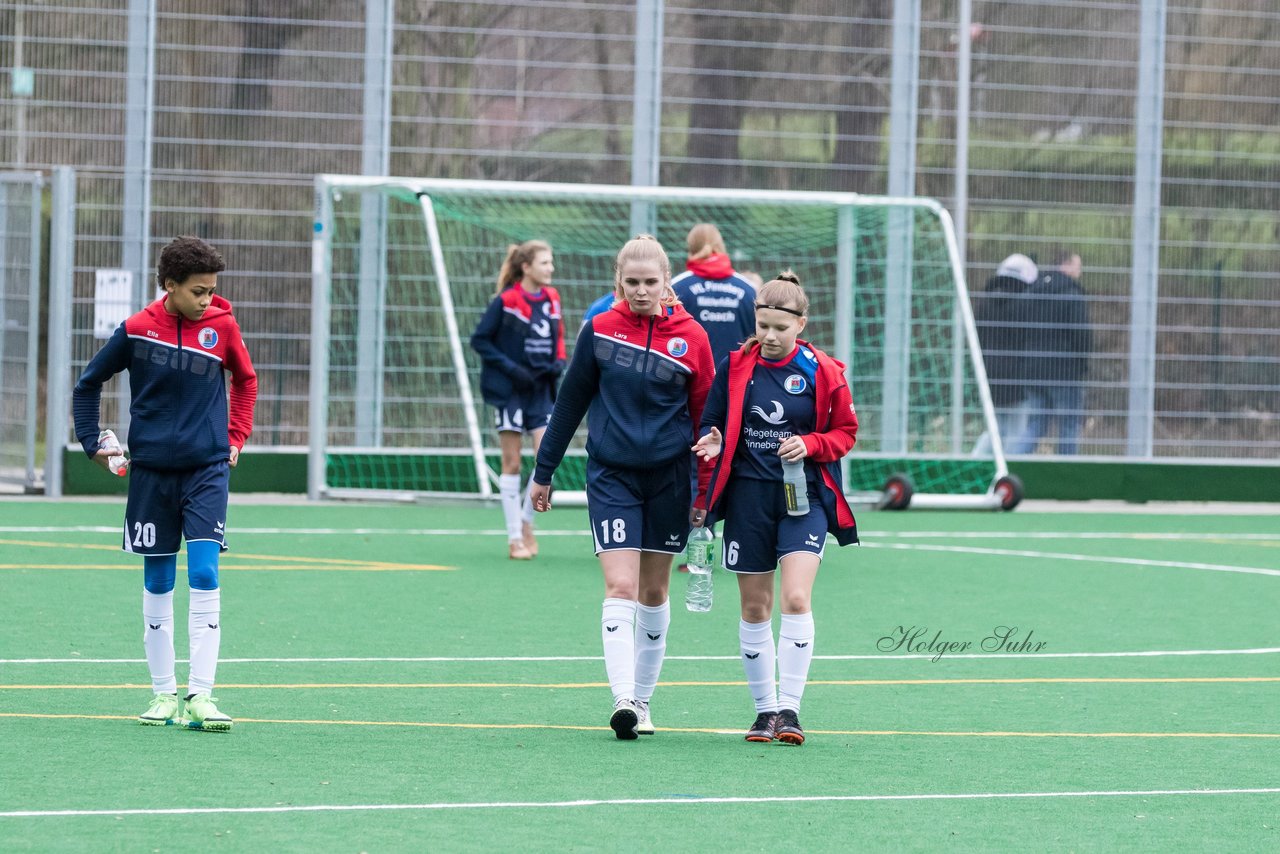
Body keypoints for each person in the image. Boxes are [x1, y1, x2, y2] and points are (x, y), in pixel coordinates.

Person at [529, 235, 714, 740]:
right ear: (619, 281)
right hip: (611, 476)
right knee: (621, 586)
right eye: (631, 282)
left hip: (672, 480)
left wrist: (706, 495)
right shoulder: (601, 330)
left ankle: (645, 701)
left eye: (650, 282)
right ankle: (623, 700)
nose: (640, 291)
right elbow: (568, 405)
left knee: (654, 591)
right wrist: (543, 472)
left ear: (666, 282)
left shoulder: (693, 338)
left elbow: (706, 422)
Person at [72, 236, 258, 732]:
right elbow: (88, 384)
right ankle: (162, 695)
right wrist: (94, 444)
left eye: (212, 290)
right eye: (198, 291)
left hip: (208, 470)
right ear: (169, 286)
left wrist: (236, 435)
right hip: (150, 473)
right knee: (157, 581)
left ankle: (201, 695)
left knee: (204, 574)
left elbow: (246, 380)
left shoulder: (222, 326)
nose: (207, 300)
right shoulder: (135, 330)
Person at [691, 270, 859, 746]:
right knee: (755, 606)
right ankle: (764, 712)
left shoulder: (823, 370)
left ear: (801, 325)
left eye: (780, 328)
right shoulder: (735, 366)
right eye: (762, 325)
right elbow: (711, 424)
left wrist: (810, 443)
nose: (768, 336)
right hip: (748, 500)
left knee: (797, 599)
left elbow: (845, 433)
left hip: (803, 500)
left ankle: (791, 710)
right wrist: (713, 440)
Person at [470, 240, 565, 560]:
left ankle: (527, 523)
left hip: (540, 391)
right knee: (511, 462)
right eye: (544, 263)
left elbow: (558, 336)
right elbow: (480, 339)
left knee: (545, 459)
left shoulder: (552, 298)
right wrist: (511, 368)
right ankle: (514, 538)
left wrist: (559, 362)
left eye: (551, 263)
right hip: (511, 392)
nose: (550, 269)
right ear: (526, 267)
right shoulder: (507, 301)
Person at [1022, 250, 1091, 454]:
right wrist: (1081, 365)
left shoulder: (1033, 291)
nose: (1080, 271)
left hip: (1034, 370)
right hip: (1064, 371)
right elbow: (1081, 335)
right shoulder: (1072, 294)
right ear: (1066, 264)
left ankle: (1014, 464)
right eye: (1077, 265)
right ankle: (1067, 470)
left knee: (1036, 424)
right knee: (1069, 424)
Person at [972, 253, 1039, 456]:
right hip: (1018, 378)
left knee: (996, 429)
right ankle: (1010, 474)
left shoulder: (984, 304)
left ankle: (975, 461)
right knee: (1016, 432)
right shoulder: (1025, 305)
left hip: (990, 374)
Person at [671, 223, 756, 366]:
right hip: (735, 379)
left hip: (689, 377)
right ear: (721, 245)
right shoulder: (748, 289)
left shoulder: (677, 287)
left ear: (691, 247)